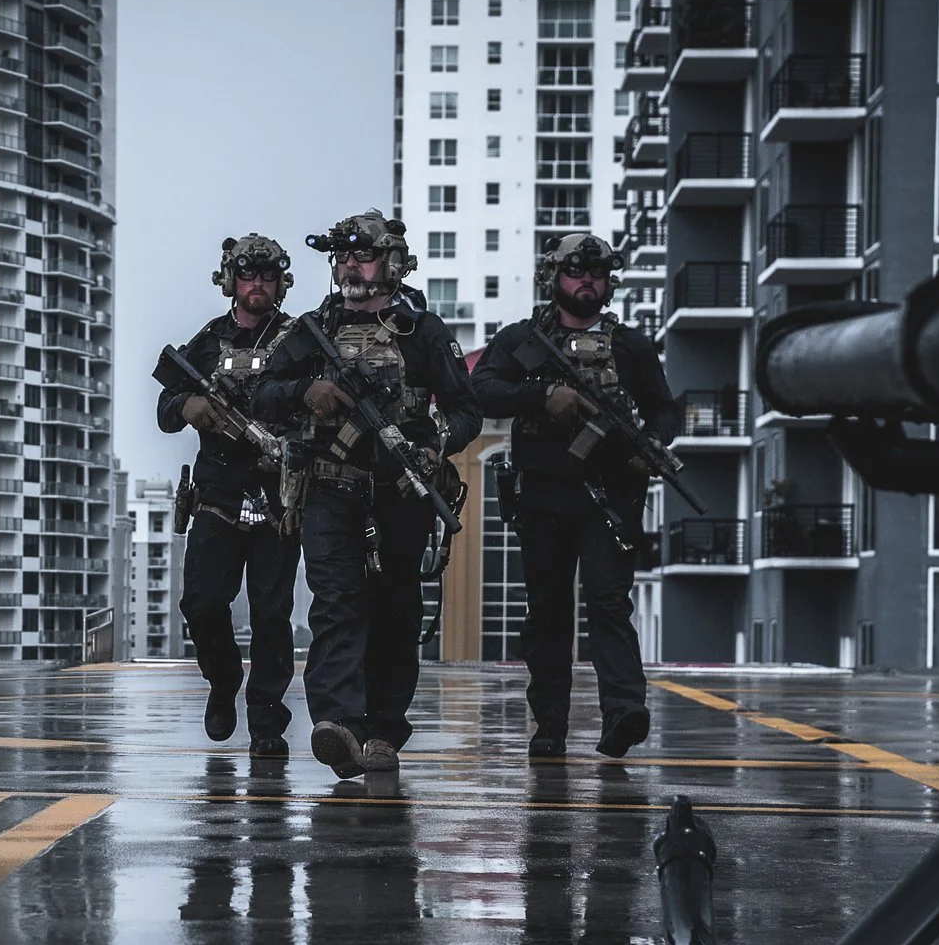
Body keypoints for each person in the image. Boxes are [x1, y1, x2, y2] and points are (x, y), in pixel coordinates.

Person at [253, 209, 480, 781]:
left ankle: (383, 730)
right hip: (329, 487)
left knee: (395, 609)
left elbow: (466, 410)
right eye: (344, 256)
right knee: (334, 604)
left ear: (391, 262)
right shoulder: (310, 332)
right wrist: (310, 390)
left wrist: (433, 448)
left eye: (364, 254)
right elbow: (262, 397)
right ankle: (338, 724)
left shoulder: (422, 332)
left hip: (399, 489)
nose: (352, 264)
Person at [472, 231, 681, 759]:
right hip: (543, 493)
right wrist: (544, 395)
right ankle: (550, 725)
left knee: (609, 601)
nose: (586, 281)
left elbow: (663, 408)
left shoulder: (628, 344)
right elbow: (480, 388)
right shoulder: (524, 339)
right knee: (547, 611)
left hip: (609, 493)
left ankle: (624, 712)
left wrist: (653, 443)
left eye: (597, 274)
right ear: (555, 277)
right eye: (575, 272)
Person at [157, 234, 301, 759]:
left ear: (281, 282)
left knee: (271, 613)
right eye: (247, 275)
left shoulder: (298, 340)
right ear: (230, 280)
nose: (256, 285)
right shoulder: (209, 339)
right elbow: (166, 405)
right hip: (216, 497)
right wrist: (188, 406)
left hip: (277, 499)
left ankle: (266, 720)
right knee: (200, 603)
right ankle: (223, 682)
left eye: (266, 276)